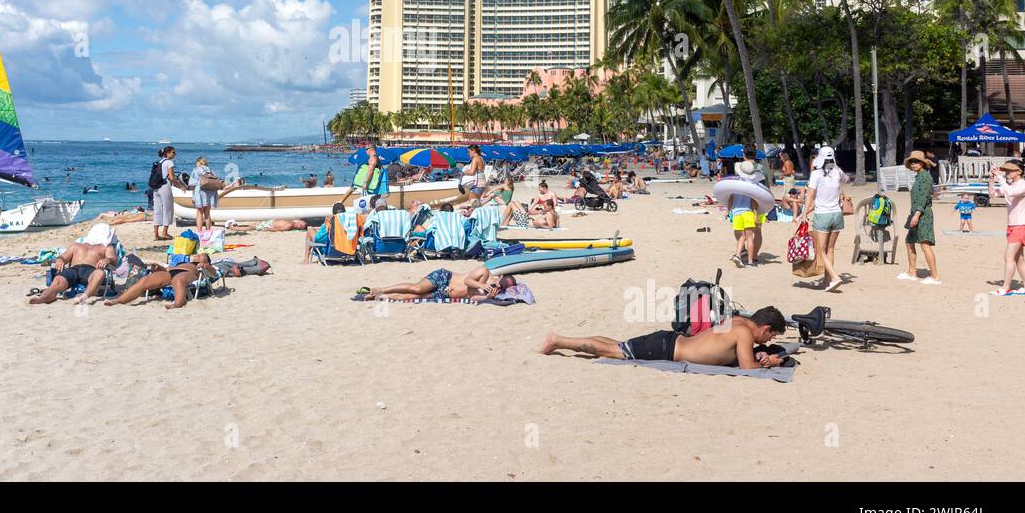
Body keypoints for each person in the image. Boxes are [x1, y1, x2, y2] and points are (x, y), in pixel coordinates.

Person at [538, 307, 788, 369]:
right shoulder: (745, 332)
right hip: (666, 350)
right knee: (612, 351)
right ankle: (558, 340)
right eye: (770, 336)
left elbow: (724, 348)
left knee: (617, 345)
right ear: (765, 327)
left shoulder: (738, 321)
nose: (766, 341)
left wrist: (758, 355)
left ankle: (563, 339)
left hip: (669, 341)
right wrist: (772, 362)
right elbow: (748, 369)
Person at [801, 146, 850, 292]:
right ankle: (827, 281)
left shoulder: (816, 174)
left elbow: (810, 196)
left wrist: (804, 214)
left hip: (822, 215)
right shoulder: (837, 172)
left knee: (820, 250)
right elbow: (847, 179)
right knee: (830, 249)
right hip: (837, 214)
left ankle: (834, 277)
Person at [103, 252, 216, 310]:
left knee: (178, 280)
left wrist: (206, 267)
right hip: (169, 272)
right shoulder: (184, 262)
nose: (198, 256)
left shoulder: (205, 266)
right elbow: (168, 269)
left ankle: (177, 304)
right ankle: (118, 301)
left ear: (207, 261)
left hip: (188, 274)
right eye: (198, 254)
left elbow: (213, 274)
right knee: (144, 281)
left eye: (201, 255)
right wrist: (158, 267)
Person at [29, 238, 118, 304]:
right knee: (59, 279)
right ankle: (43, 298)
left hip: (91, 270)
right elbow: (64, 257)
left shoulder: (106, 247)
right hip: (74, 269)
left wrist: (107, 260)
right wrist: (60, 260)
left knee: (100, 273)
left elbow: (113, 260)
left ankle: (84, 296)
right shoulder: (76, 246)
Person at [988, 160, 1025, 295]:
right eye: (1006, 170)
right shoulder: (1011, 184)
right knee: (1018, 258)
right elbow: (993, 194)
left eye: (1010, 170)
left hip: (1020, 225)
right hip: (1013, 225)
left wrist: (1000, 177)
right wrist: (991, 180)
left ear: (1019, 171)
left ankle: (1006, 288)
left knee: (1008, 256)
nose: (1007, 172)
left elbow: (1011, 193)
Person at [362, 264, 515, 302]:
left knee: (410, 297)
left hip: (446, 293)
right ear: (499, 276)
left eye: (502, 288)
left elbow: (471, 297)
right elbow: (468, 281)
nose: (499, 287)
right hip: (445, 277)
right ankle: (380, 289)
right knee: (417, 288)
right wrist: (482, 286)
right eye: (500, 283)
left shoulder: (494, 292)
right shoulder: (485, 272)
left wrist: (487, 298)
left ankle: (379, 296)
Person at [901, 150, 940, 285]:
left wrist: (917, 215)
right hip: (915, 213)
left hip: (922, 214)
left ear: (923, 163)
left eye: (916, 161)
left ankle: (935, 276)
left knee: (925, 244)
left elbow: (923, 198)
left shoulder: (925, 177)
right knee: (909, 241)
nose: (913, 164)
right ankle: (912, 272)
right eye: (911, 162)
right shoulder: (919, 176)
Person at [728, 160, 761, 268]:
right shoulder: (752, 185)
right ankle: (751, 261)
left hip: (736, 212)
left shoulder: (734, 184)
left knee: (741, 237)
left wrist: (728, 211)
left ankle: (738, 255)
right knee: (749, 237)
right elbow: (753, 201)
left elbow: (731, 199)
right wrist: (756, 214)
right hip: (748, 212)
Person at [151, 146, 178, 242]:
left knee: (157, 210)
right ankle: (165, 233)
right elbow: (171, 177)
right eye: (173, 152)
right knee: (168, 209)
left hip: (156, 187)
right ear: (168, 153)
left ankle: (156, 235)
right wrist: (180, 185)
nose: (175, 154)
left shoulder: (160, 162)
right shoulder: (169, 162)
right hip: (165, 187)